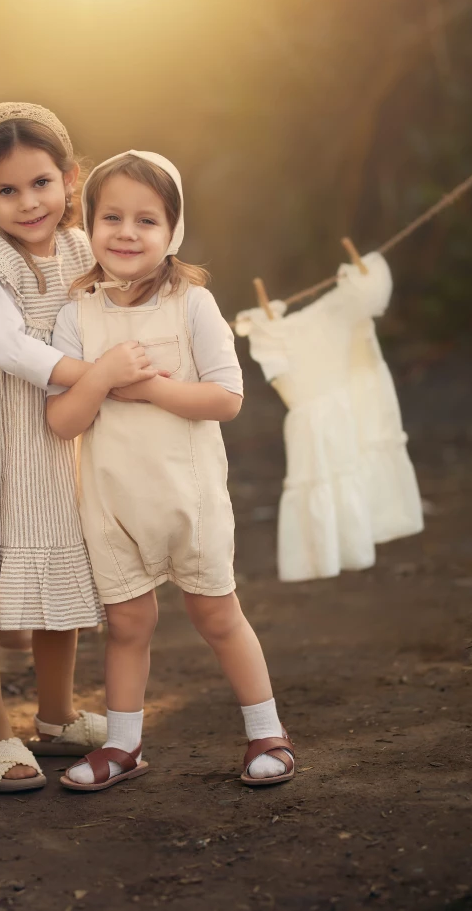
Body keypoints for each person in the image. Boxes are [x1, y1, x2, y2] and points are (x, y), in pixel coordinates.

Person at [0, 105, 158, 792]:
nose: (29, 203)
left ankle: (56, 717)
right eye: (9, 191)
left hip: (61, 438)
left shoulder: (84, 247)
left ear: (71, 179)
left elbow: (123, 305)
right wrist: (102, 374)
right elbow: (13, 349)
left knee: (63, 567)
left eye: (42, 183)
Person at [45, 150, 295, 791]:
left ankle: (268, 733)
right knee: (128, 625)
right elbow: (63, 420)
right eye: (112, 217)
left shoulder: (193, 305)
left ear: (172, 231)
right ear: (89, 223)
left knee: (217, 614)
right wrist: (102, 377)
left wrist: (151, 389)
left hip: (189, 498)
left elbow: (227, 398)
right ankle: (122, 747)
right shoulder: (78, 313)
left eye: (146, 220)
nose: (127, 233)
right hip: (110, 502)